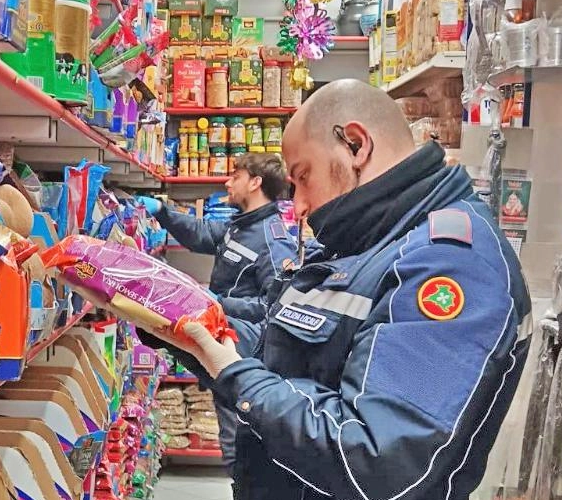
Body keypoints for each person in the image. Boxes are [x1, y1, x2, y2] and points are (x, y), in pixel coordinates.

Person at [146, 80, 532, 500]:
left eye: (304, 177)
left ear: (355, 145)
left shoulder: (451, 263)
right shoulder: (359, 241)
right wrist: (183, 324)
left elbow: (377, 458)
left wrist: (239, 379)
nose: (297, 206)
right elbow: (282, 350)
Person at [137, 152, 297, 473]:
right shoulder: (241, 226)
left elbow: (275, 308)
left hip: (244, 350)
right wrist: (163, 212)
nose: (227, 182)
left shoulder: (274, 240)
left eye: (235, 176)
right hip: (223, 336)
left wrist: (220, 303)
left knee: (240, 439)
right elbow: (203, 234)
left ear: (255, 183)